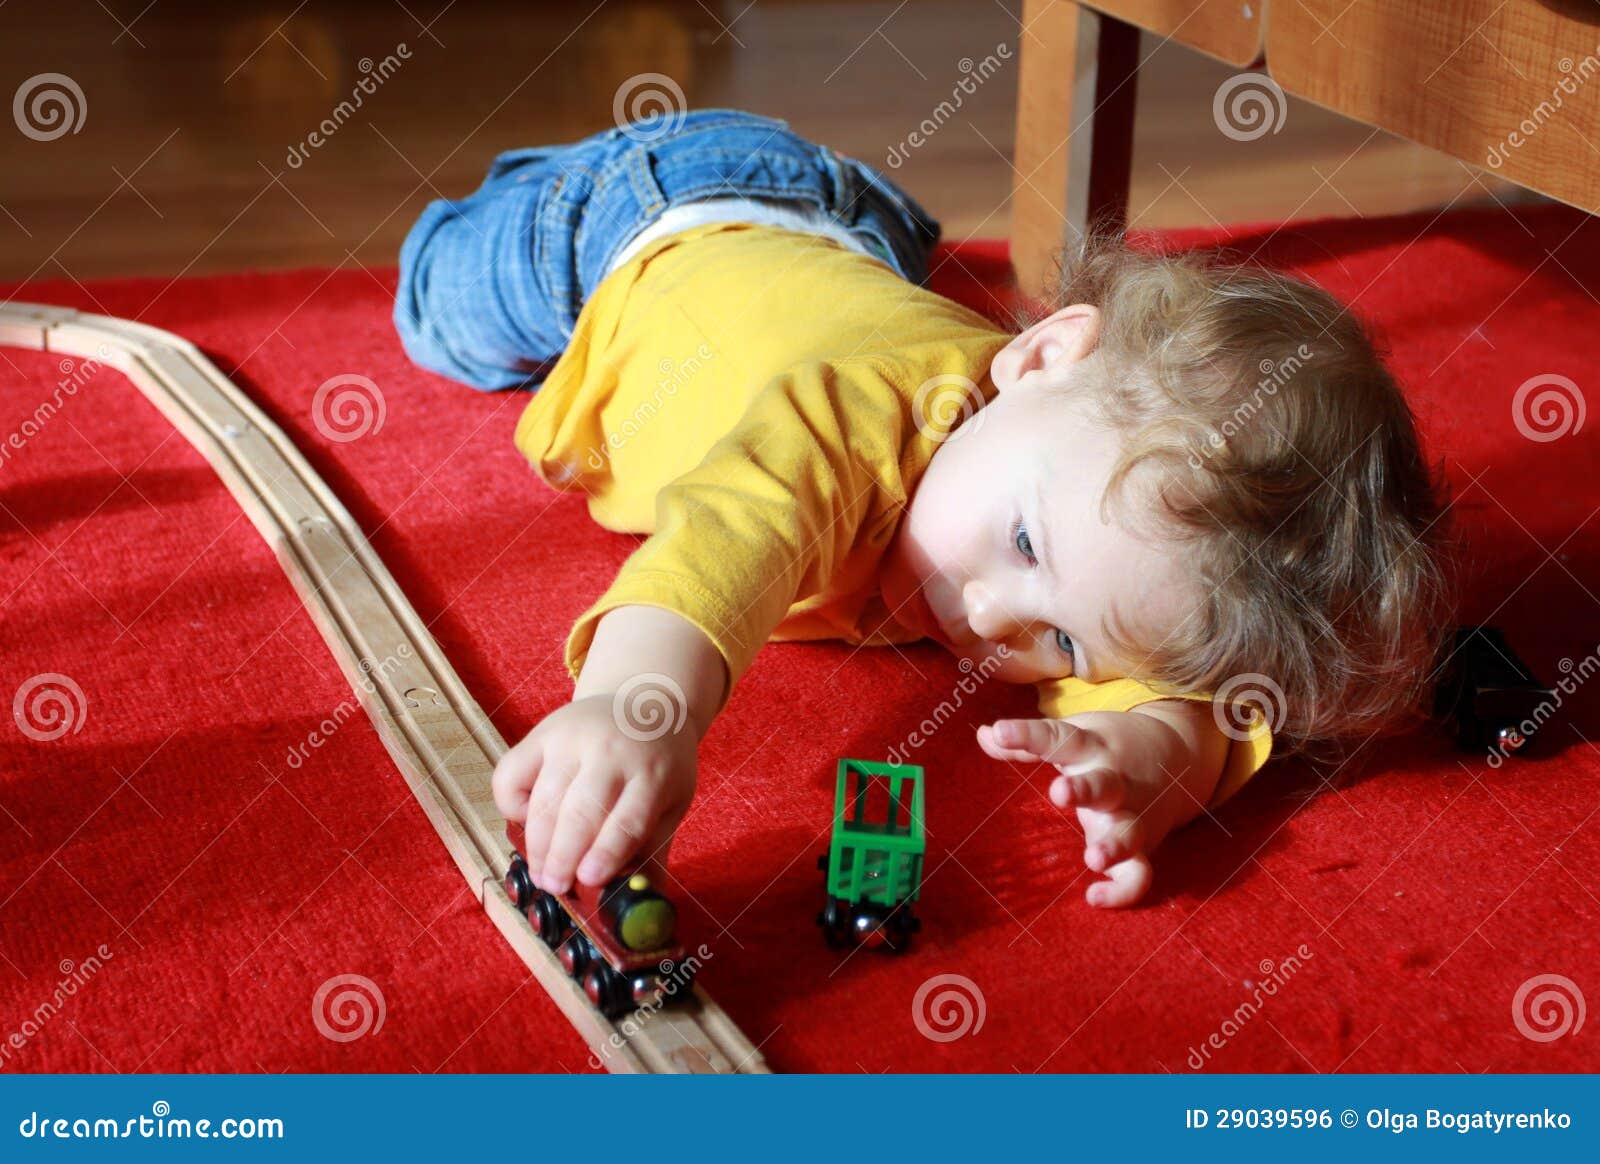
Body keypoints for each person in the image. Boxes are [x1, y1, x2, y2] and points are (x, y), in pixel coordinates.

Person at [393, 109, 1449, 908]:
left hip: (850, 242)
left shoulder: (1102, 527)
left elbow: (1180, 682)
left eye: (1064, 640)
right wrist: (638, 704)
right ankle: (529, 180)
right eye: (1024, 544)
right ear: (1035, 356)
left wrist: (1155, 758)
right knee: (444, 314)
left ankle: (853, 210)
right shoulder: (852, 419)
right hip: (643, 221)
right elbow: (731, 530)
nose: (995, 620)